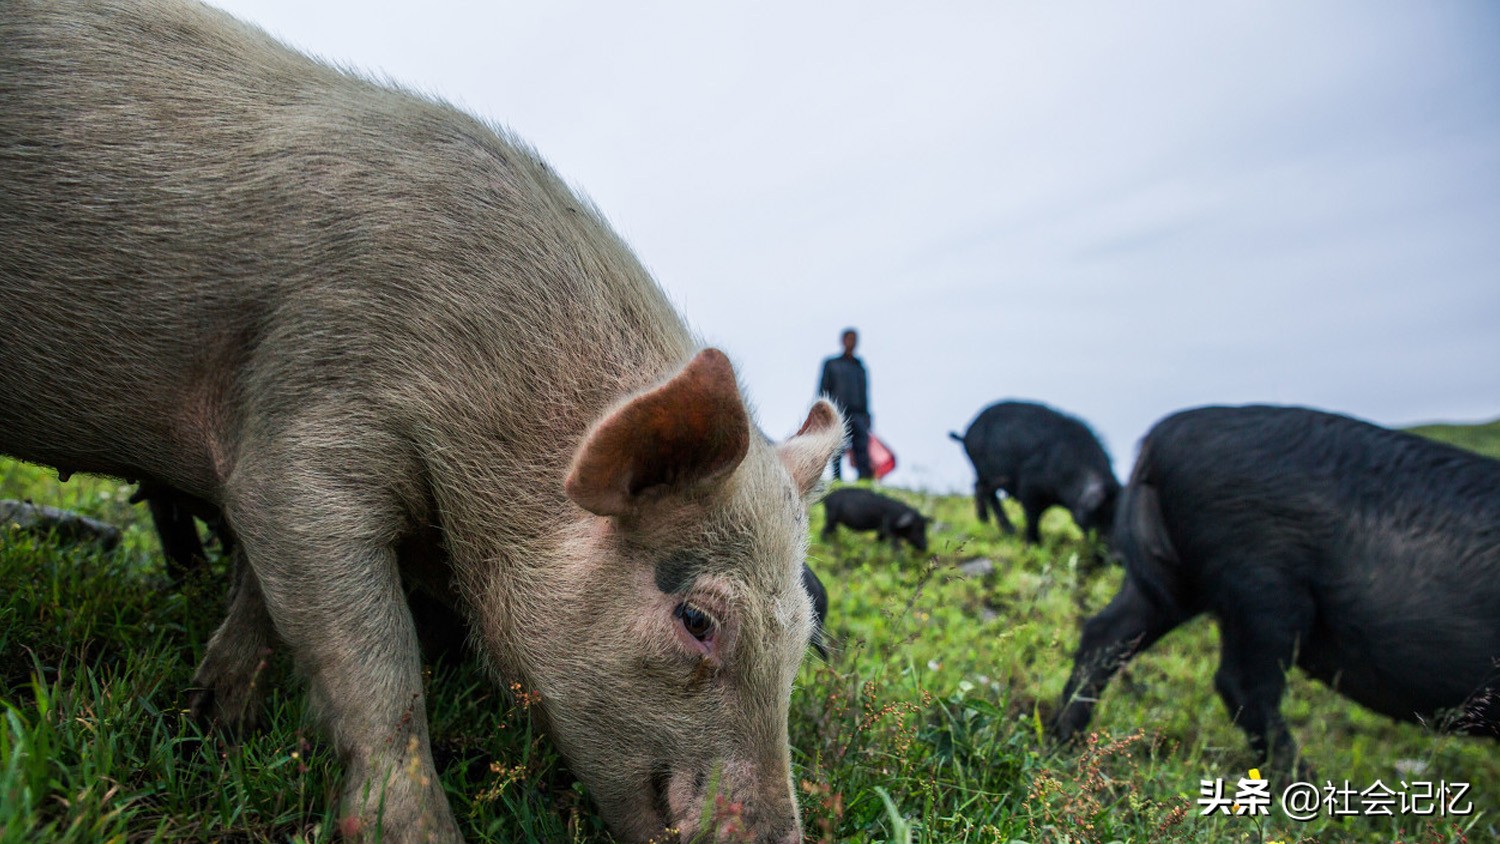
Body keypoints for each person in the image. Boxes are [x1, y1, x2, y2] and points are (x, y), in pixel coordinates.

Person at [818, 328, 872, 480]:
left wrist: (867, 415)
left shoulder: (860, 367)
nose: (852, 342)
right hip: (838, 412)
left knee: (861, 448)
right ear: (843, 341)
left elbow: (864, 393)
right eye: (849, 339)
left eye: (854, 339)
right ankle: (837, 479)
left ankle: (864, 480)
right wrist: (822, 413)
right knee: (837, 448)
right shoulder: (831, 364)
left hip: (858, 414)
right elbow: (823, 389)